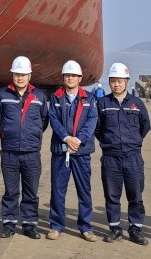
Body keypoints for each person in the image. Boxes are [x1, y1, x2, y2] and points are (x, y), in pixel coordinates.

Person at [95, 62, 151, 245]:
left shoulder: (137, 104)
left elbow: (145, 125)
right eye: (113, 81)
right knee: (112, 196)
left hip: (133, 157)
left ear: (127, 81)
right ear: (109, 82)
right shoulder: (102, 104)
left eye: (120, 81)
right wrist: (109, 142)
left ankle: (135, 230)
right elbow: (97, 129)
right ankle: (115, 229)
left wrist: (133, 141)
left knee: (136, 195)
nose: (116, 84)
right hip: (110, 158)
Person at [0, 55, 48, 239]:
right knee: (11, 191)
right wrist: (8, 132)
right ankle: (9, 224)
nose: (20, 78)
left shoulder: (39, 96)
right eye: (17, 74)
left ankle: (29, 225)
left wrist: (32, 134)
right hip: (9, 152)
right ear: (12, 75)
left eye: (23, 74)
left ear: (29, 76)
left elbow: (44, 120)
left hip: (31, 152)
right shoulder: (2, 94)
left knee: (31, 191)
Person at [47, 60, 98, 241]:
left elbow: (92, 121)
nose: (70, 78)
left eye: (73, 75)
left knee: (84, 191)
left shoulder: (89, 98)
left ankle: (86, 227)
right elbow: (53, 120)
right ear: (63, 78)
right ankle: (56, 226)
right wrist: (66, 138)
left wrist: (78, 140)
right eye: (67, 75)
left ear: (80, 78)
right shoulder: (56, 97)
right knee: (58, 190)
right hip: (61, 150)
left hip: (81, 151)